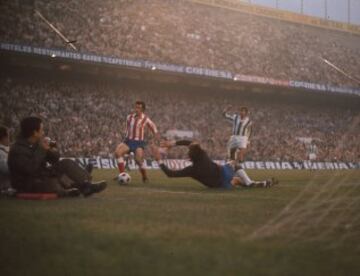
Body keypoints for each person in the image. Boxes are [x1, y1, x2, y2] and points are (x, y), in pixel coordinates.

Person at [7, 117, 107, 197]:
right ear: (34, 132)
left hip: (41, 175)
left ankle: (86, 185)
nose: (43, 132)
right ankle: (72, 190)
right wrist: (41, 150)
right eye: (41, 130)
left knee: (66, 163)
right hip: (27, 183)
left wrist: (51, 150)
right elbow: (30, 169)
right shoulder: (17, 149)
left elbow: (55, 160)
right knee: (53, 182)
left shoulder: (36, 144)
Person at [152, 139, 277, 189]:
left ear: (190, 157)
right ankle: (252, 183)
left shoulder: (191, 170)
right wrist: (173, 144)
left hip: (219, 185)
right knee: (234, 164)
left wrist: (159, 159)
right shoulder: (203, 155)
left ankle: (251, 183)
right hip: (223, 173)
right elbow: (192, 143)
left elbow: (170, 174)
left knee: (235, 181)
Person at [114, 101, 159, 182]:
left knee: (138, 160)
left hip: (138, 143)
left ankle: (145, 177)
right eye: (136, 107)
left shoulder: (145, 119)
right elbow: (128, 129)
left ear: (143, 109)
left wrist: (154, 139)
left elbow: (154, 129)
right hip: (128, 141)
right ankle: (122, 175)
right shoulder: (129, 117)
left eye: (139, 108)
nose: (136, 109)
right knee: (117, 153)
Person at [0, 125, 16, 196]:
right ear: (3, 137)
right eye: (8, 136)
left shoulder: (7, 149)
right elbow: (7, 169)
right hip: (5, 188)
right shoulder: (2, 152)